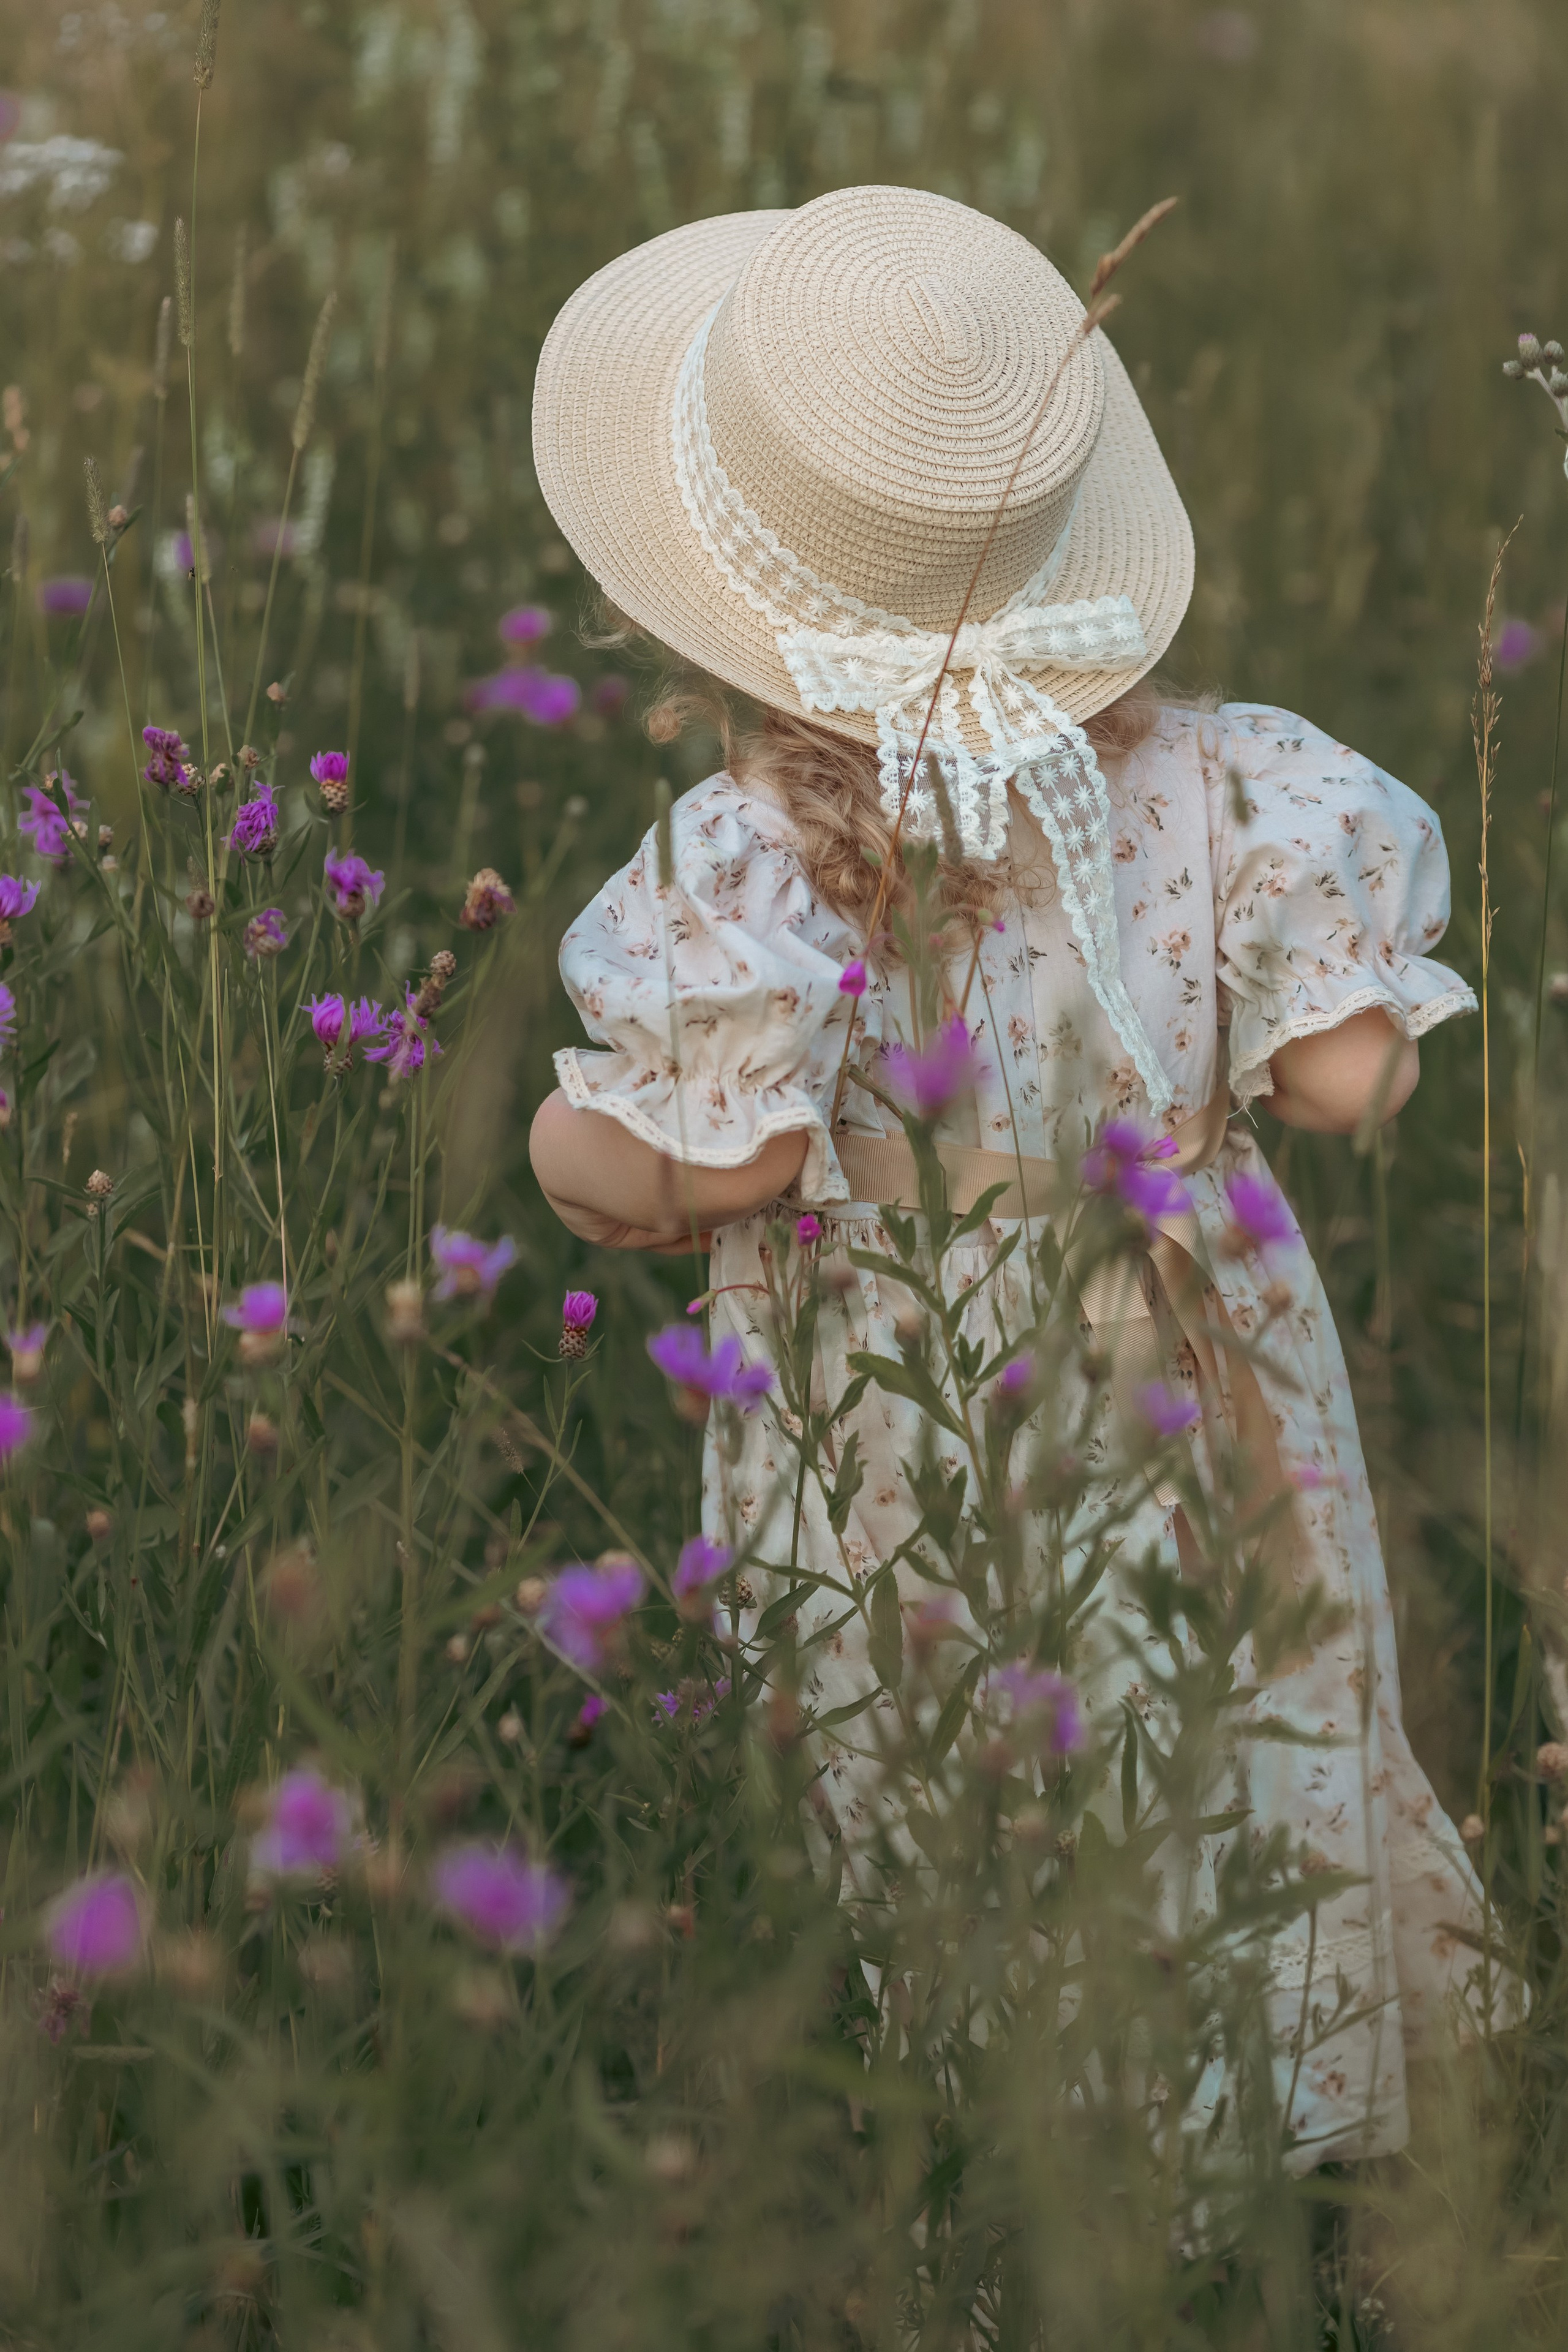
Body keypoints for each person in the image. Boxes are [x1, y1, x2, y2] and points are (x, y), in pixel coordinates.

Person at [527, 184, 1498, 2165]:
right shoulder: (1237, 778)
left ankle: (1004, 2180)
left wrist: (574, 1150)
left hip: (912, 1407)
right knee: (1222, 1721)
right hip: (1198, 1356)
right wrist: (1329, 1048)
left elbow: (727, 1166)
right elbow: (1341, 1074)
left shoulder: (748, 852)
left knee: (949, 1755)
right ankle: (1241, 2136)